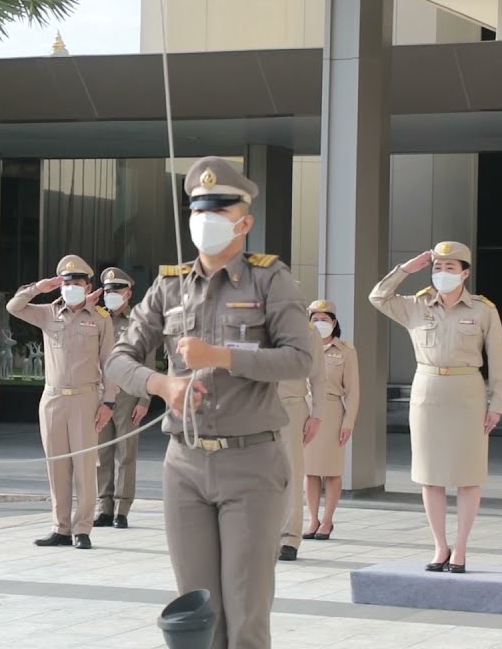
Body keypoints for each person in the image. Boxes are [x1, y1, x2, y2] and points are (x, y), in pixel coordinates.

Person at [107, 156, 313, 649]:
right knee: (197, 611)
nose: (206, 219)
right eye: (199, 208)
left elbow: (299, 359)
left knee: (245, 613)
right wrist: (163, 386)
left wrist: (221, 356)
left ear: (245, 221)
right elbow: (118, 359)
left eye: (219, 209)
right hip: (185, 462)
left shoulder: (269, 280)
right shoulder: (170, 285)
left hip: (251, 461)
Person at [369, 241, 502, 574]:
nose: (443, 274)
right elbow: (377, 297)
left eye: (450, 268)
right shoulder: (416, 305)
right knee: (430, 476)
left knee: (468, 476)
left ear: (465, 273)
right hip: (428, 392)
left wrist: (497, 403)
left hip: (468, 393)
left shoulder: (482, 309)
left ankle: (460, 549)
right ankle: (439, 546)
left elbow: (499, 360)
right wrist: (406, 270)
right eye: (437, 267)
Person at [8, 254, 116, 550]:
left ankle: (83, 528)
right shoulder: (47, 312)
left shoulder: (100, 319)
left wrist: (109, 402)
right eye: (66, 282)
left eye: (77, 283)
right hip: (53, 398)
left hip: (85, 398)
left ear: (87, 284)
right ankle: (61, 528)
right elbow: (13, 307)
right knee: (56, 466)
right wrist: (38, 288)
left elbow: (110, 363)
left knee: (84, 466)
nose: (71, 287)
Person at [93, 267, 150, 530]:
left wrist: (144, 400)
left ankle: (122, 509)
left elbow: (147, 361)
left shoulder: (139, 320)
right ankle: (104, 506)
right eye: (107, 290)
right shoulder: (96, 318)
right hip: (101, 394)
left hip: (128, 394)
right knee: (101, 453)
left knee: (126, 454)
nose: (111, 294)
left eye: (116, 290)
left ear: (128, 293)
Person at [302, 300, 360, 543]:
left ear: (334, 323)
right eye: (315, 319)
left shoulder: (346, 351)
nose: (320, 323)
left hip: (333, 412)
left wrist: (348, 423)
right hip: (305, 411)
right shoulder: (301, 347)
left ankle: (328, 520)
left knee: (332, 471)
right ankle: (313, 519)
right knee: (310, 471)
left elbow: (353, 391)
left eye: (324, 319)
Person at [277, 323, 323, 561]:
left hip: (291, 406)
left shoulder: (307, 330)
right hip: (252, 405)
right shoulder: (251, 319)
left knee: (291, 473)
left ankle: (288, 538)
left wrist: (317, 414)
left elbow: (317, 375)